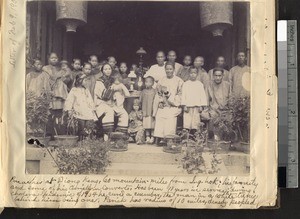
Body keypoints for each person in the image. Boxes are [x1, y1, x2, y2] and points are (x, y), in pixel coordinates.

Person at [94, 63, 129, 140]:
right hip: (102, 103)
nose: (108, 71)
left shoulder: (113, 80)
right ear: (102, 71)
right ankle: (107, 136)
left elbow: (123, 92)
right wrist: (113, 89)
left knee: (124, 114)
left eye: (109, 69)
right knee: (109, 112)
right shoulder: (99, 81)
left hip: (112, 103)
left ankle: (120, 136)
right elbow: (105, 96)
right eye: (105, 69)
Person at [153, 61, 184, 145]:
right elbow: (158, 93)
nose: (169, 71)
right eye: (167, 69)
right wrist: (160, 101)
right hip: (164, 105)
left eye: (170, 69)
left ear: (174, 69)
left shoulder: (179, 81)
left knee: (170, 116)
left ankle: (169, 139)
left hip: (174, 106)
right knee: (160, 114)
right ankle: (159, 138)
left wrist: (168, 94)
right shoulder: (161, 80)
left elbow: (180, 96)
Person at [63, 74, 97, 140]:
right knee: (81, 126)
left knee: (88, 126)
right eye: (85, 80)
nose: (86, 82)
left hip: (87, 111)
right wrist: (69, 109)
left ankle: (87, 139)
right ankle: (80, 140)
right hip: (79, 111)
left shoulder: (86, 90)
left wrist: (92, 109)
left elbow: (90, 100)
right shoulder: (74, 90)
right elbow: (69, 100)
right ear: (80, 81)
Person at [42, 52, 68, 136]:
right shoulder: (45, 69)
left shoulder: (61, 69)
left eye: (56, 58)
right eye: (52, 58)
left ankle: (59, 134)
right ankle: (50, 134)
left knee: (59, 114)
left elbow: (65, 81)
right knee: (50, 114)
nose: (54, 59)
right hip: (50, 94)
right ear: (48, 59)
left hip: (59, 95)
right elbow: (45, 82)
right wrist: (49, 92)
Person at [181, 66, 207, 135]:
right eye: (191, 73)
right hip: (188, 106)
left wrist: (201, 106)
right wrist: (184, 105)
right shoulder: (185, 84)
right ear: (189, 73)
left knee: (195, 122)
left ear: (197, 74)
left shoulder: (199, 84)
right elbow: (183, 95)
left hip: (196, 106)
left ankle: (194, 137)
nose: (193, 74)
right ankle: (186, 137)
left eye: (194, 73)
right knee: (187, 122)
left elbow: (202, 95)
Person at [205, 68, 231, 138]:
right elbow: (206, 100)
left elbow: (230, 99)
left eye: (219, 75)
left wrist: (229, 111)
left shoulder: (227, 85)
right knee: (213, 120)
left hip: (225, 110)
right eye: (216, 75)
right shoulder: (209, 85)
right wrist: (206, 112)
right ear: (213, 76)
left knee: (229, 121)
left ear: (223, 76)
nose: (217, 77)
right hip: (213, 110)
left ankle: (226, 140)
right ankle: (215, 139)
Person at [140, 76, 156, 144]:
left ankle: (152, 137)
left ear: (153, 83)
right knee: (146, 125)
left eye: (150, 82)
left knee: (152, 125)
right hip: (145, 110)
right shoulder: (143, 91)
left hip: (152, 111)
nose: (148, 83)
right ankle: (147, 137)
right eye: (146, 82)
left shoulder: (154, 91)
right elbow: (140, 100)